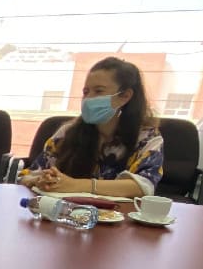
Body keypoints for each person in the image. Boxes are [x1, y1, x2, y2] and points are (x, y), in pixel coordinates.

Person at [20, 57, 163, 198]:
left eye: (98, 91)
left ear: (125, 96)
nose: (88, 98)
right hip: (65, 210)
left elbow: (143, 186)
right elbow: (27, 175)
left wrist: (76, 185)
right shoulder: (67, 132)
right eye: (86, 92)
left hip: (116, 212)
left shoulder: (147, 137)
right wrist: (42, 180)